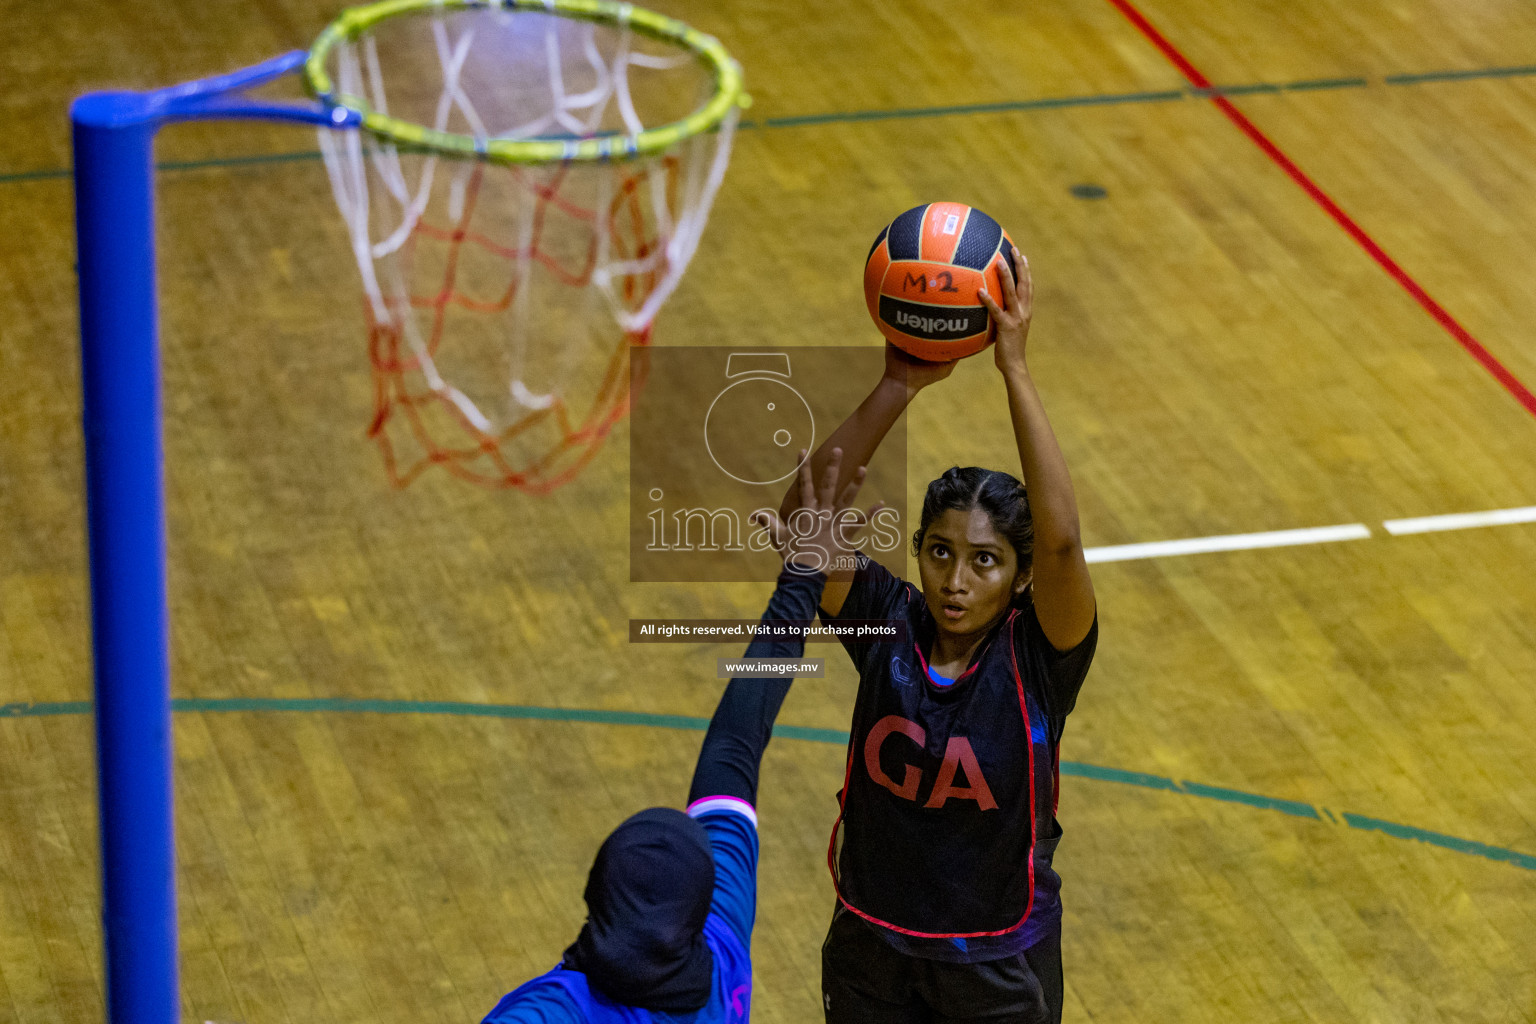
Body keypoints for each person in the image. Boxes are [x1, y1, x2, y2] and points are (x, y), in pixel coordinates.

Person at [782, 246, 1098, 1023]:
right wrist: (898, 383)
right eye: (940, 553)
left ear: (1019, 577)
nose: (957, 580)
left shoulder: (1039, 653)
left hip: (994, 963)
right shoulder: (889, 621)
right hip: (871, 951)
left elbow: (1059, 542)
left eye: (986, 562)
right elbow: (801, 529)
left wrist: (1014, 368)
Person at [483, 454, 878, 1023]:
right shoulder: (720, 947)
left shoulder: (552, 1013)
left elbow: (737, 739)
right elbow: (738, 740)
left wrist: (801, 581)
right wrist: (802, 578)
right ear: (697, 909)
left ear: (595, 897)